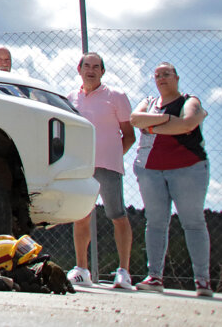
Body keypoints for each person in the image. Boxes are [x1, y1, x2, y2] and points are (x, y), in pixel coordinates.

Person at [130, 63, 212, 297]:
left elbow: (188, 123)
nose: (162, 78)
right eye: (157, 75)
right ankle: (154, 277)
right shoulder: (149, 101)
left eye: (167, 74)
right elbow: (136, 119)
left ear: (177, 77)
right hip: (150, 169)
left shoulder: (190, 100)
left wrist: (153, 126)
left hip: (189, 168)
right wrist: (168, 120)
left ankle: (202, 281)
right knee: (155, 222)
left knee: (193, 221)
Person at [66, 52, 136, 290]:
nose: (91, 70)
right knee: (81, 216)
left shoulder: (116, 97)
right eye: (87, 66)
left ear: (103, 71)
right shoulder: (70, 99)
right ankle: (81, 270)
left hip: (109, 168)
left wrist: (113, 157)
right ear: (79, 69)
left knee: (118, 216)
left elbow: (129, 135)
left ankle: (124, 272)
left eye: (97, 67)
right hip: (81, 168)